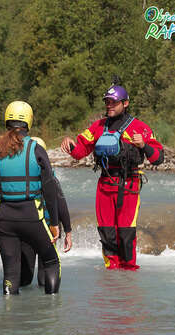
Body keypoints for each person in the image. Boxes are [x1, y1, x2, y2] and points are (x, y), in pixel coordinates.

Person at [61, 81, 164, 270]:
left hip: (129, 185)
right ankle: (111, 276)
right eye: (107, 102)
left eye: (113, 102)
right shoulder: (98, 127)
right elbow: (80, 151)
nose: (109, 105)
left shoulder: (139, 128)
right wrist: (70, 144)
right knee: (107, 233)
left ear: (125, 103)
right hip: (105, 185)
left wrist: (144, 145)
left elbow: (158, 158)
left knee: (125, 233)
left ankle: (129, 274)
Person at [0, 101, 61, 295]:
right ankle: (52, 311)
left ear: (7, 122)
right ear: (29, 122)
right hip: (32, 216)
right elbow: (50, 189)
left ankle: (9, 313)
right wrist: (55, 222)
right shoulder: (35, 148)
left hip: (4, 219)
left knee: (10, 270)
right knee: (51, 261)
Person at [20, 136, 72, 287]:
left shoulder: (18, 177)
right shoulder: (52, 178)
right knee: (45, 277)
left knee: (25, 278)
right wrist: (68, 230)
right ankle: (48, 307)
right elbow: (61, 203)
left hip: (26, 227)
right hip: (48, 229)